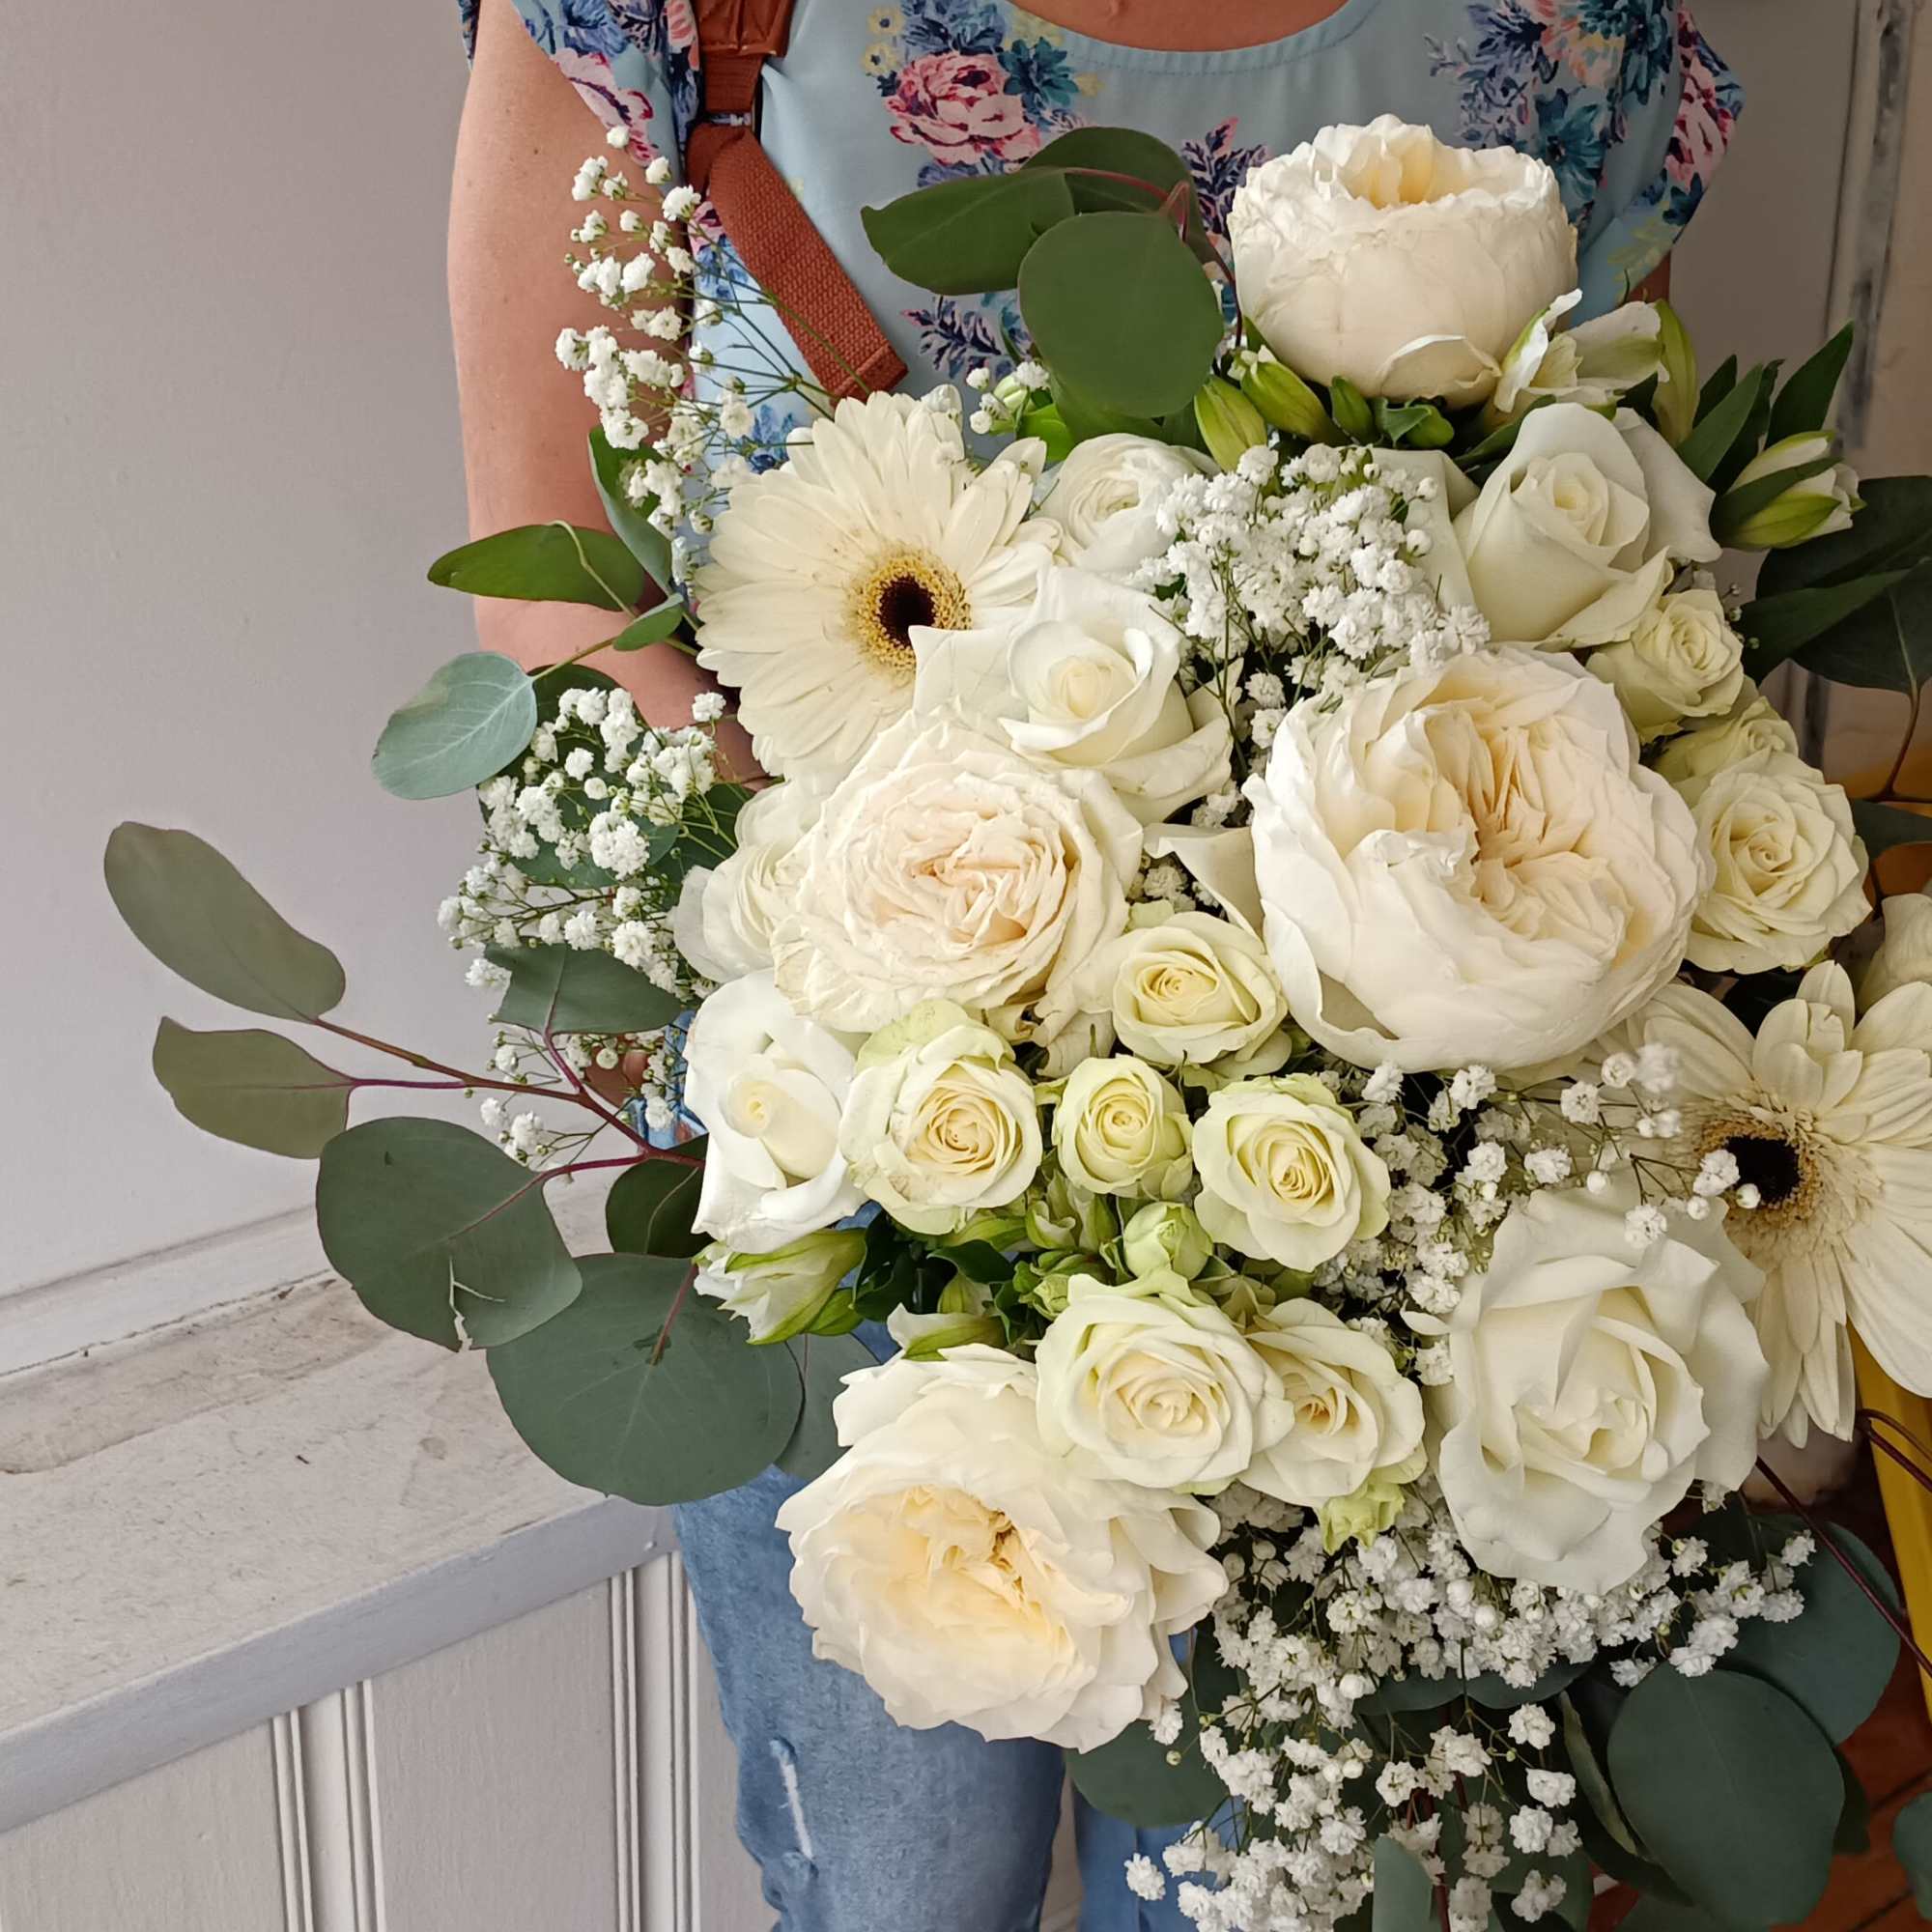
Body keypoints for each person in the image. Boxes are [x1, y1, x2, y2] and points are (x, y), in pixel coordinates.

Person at [448, 5, 1739, 1925]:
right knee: (901, 1875)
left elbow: (1608, 547)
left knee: (1255, 1883)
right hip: (862, 1141)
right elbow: (556, 590)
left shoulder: (1571, 30)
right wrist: (958, 964)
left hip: (1380, 1199)